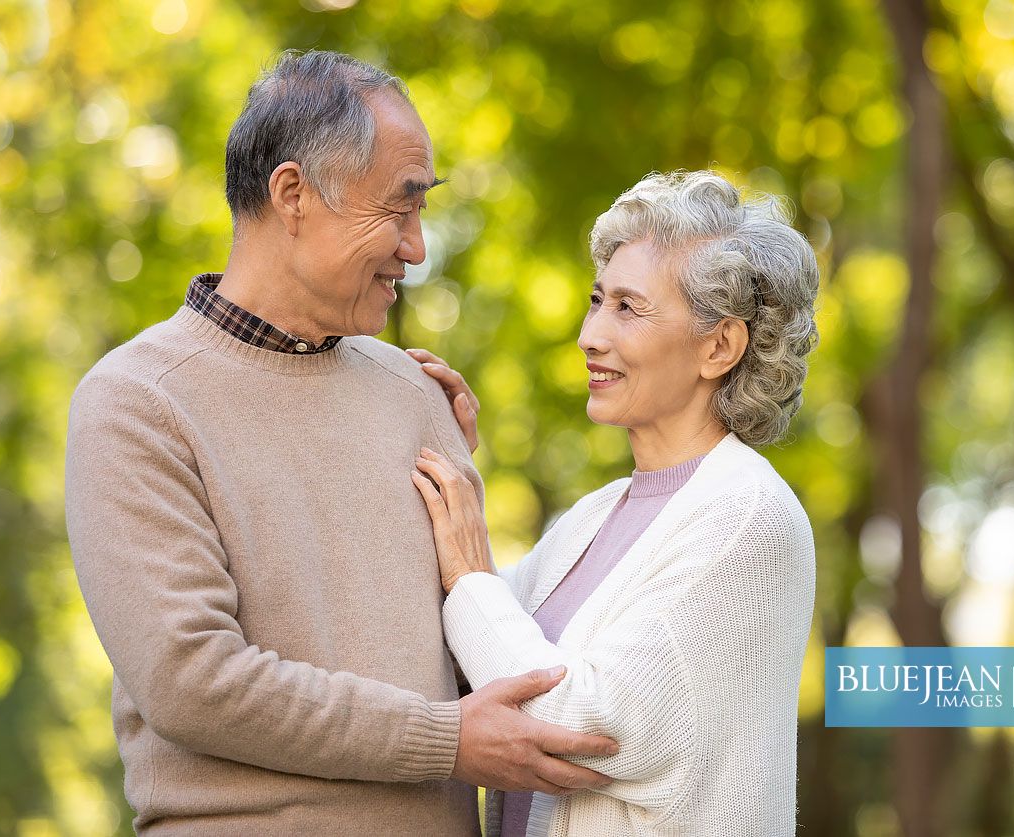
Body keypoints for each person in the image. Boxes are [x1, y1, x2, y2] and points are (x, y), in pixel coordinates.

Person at [63, 50, 618, 835]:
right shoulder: (137, 403)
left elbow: (472, 665)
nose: (418, 247)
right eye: (399, 208)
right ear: (293, 194)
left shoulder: (413, 395)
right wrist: (446, 739)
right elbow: (191, 680)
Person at [409, 170, 821, 836]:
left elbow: (577, 721)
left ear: (719, 346)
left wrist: (471, 570)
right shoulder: (596, 516)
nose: (589, 334)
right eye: (597, 300)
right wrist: (439, 452)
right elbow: (460, 649)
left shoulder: (748, 516)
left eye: (627, 307)